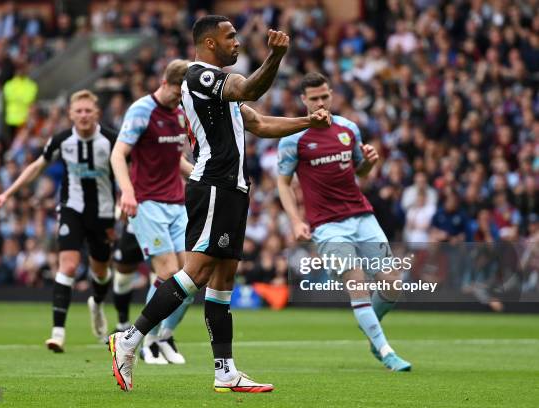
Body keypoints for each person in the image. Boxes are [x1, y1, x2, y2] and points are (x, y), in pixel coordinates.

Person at [108, 15, 330, 393]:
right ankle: (129, 339)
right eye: (230, 37)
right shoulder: (200, 76)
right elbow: (250, 90)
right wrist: (275, 57)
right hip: (214, 184)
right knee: (195, 272)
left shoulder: (221, 93)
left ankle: (225, 371)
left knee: (223, 279)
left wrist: (308, 121)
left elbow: (259, 123)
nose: (237, 42)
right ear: (210, 43)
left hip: (233, 188)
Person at [277, 72, 412, 371]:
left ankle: (370, 329)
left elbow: (359, 172)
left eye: (325, 96)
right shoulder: (293, 139)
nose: (321, 102)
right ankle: (386, 351)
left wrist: (370, 163)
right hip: (327, 225)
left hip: (362, 216)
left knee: (392, 284)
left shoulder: (348, 128)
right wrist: (296, 221)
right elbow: (283, 183)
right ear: (304, 100)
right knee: (358, 285)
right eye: (314, 99)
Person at [0, 90, 116, 352]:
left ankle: (97, 304)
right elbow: (37, 166)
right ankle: (57, 333)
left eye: (87, 111)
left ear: (97, 113)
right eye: (78, 111)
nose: (83, 115)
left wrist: (129, 196)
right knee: (68, 266)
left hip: (103, 213)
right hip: (71, 208)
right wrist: (8, 192)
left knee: (101, 272)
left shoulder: (111, 140)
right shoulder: (62, 140)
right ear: (70, 114)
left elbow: (132, 167)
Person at [109, 59, 195, 364]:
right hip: (147, 203)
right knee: (167, 272)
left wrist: (200, 176)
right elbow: (119, 154)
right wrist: (127, 192)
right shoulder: (142, 110)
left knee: (193, 276)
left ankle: (164, 335)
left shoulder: (182, 113)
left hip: (176, 203)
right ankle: (143, 342)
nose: (182, 98)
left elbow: (178, 162)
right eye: (180, 92)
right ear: (166, 83)